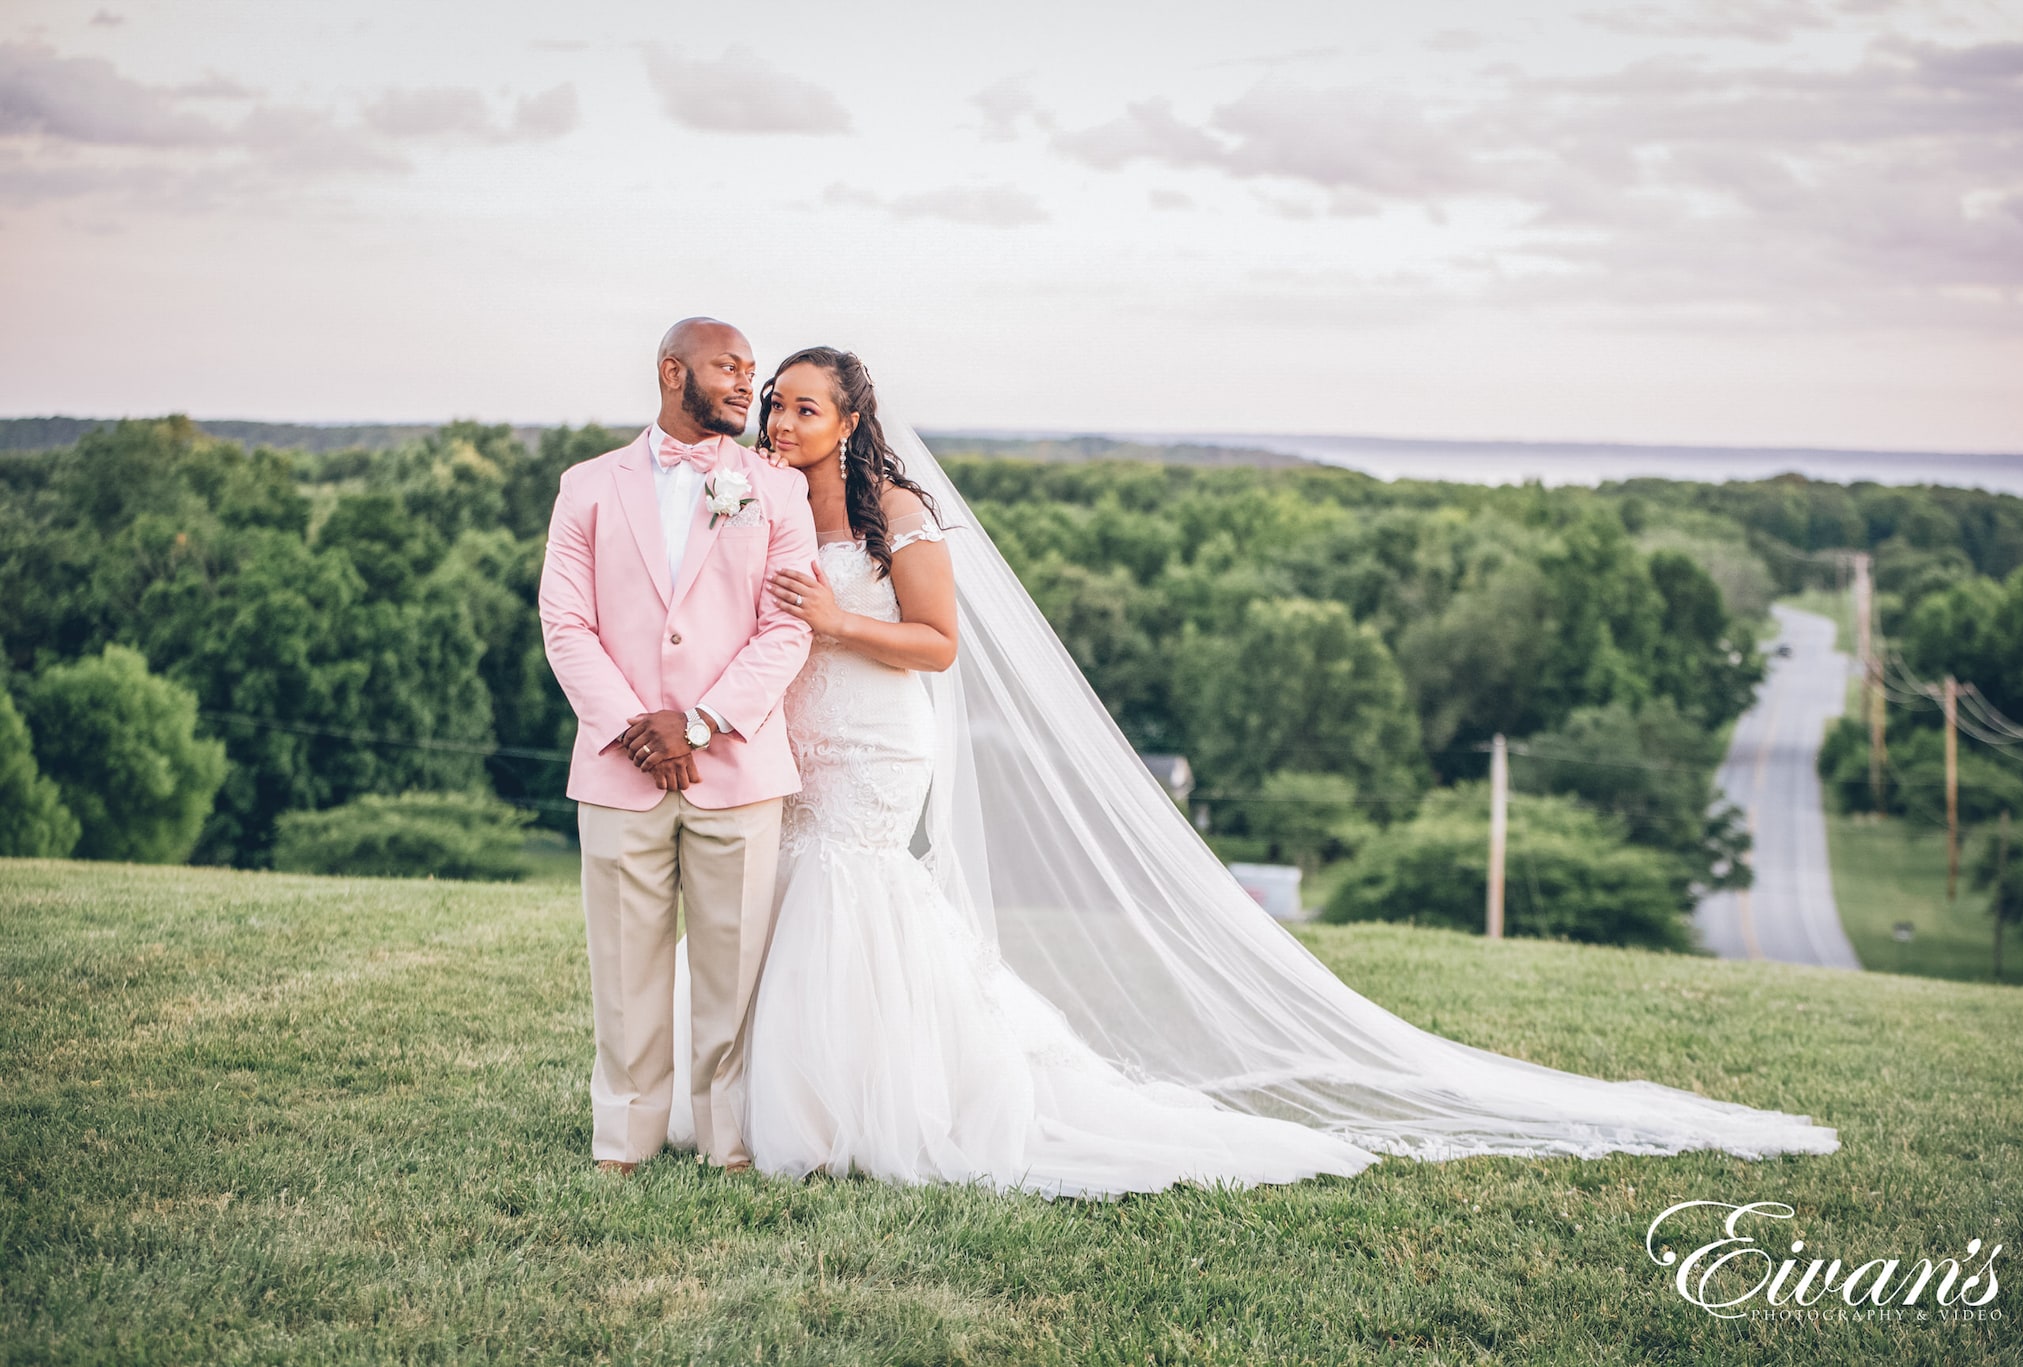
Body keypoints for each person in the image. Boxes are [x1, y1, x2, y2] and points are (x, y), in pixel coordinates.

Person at [669, 347, 1841, 1201]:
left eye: (803, 406)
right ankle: (764, 1092)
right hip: (795, 730)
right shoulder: (766, 496)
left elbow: (937, 644)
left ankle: (859, 1105)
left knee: (854, 885)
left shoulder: (897, 507)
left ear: (853, 415)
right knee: (789, 888)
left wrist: (831, 621)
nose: (779, 419)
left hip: (876, 733)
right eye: (775, 402)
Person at [537, 317, 818, 1177]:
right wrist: (638, 727)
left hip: (736, 766)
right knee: (625, 968)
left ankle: (729, 1137)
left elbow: (786, 629)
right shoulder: (585, 486)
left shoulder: (776, 493)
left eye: (751, 370)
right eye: (727, 367)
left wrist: (694, 723)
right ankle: (624, 1138)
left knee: (733, 976)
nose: (747, 384)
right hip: (620, 767)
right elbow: (566, 623)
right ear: (672, 371)